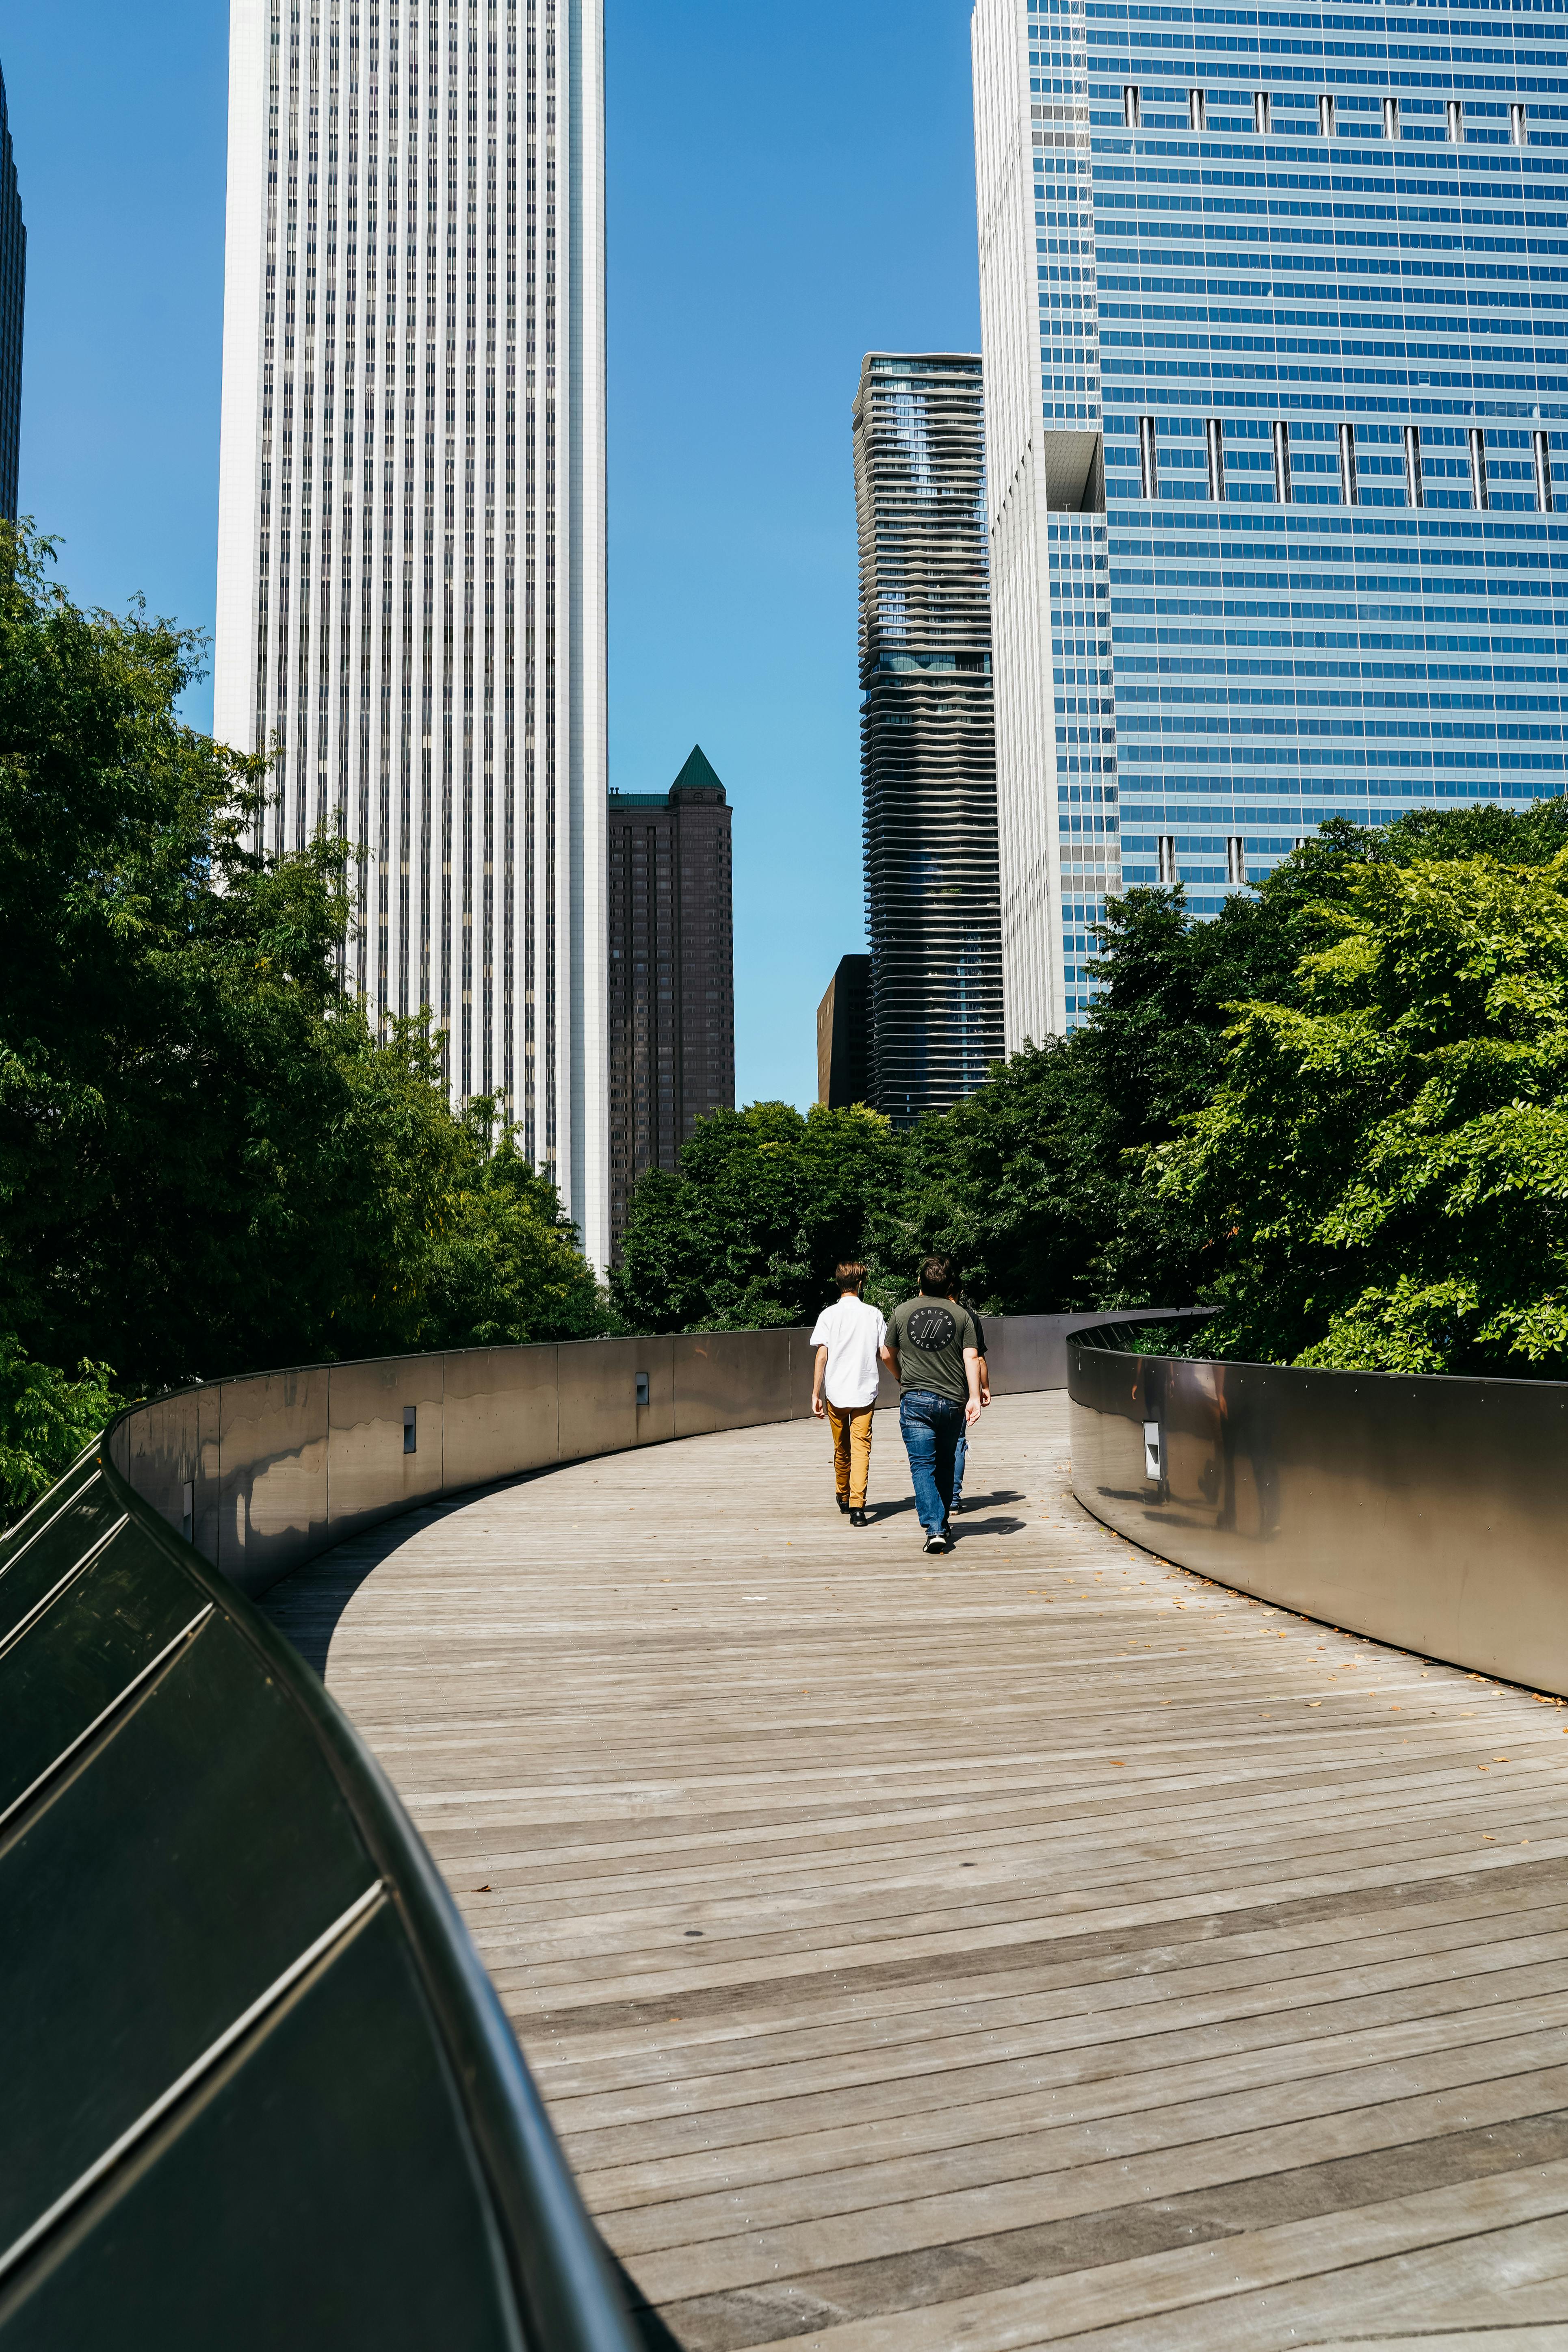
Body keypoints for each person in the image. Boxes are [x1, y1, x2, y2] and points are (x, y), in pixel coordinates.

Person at [880, 1255, 982, 1555]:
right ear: (950, 1284)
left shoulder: (901, 1312)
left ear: (919, 1283)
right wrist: (974, 1397)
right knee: (947, 1461)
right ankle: (943, 1522)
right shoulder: (962, 1315)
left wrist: (902, 1378)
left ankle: (935, 1528)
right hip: (953, 1400)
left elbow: (887, 1354)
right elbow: (972, 1357)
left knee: (922, 1465)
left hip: (915, 1399)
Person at [810, 1263, 887, 1526]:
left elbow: (822, 1354)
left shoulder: (828, 1316)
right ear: (861, 1284)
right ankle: (857, 1508)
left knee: (841, 1448)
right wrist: (901, 1376)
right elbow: (884, 1352)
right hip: (865, 1391)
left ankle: (843, 1495)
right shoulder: (874, 1315)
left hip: (836, 1393)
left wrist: (815, 1393)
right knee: (861, 1448)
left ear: (838, 1284)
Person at [949, 1286, 991, 1514]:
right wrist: (984, 1388)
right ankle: (954, 1499)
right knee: (958, 1442)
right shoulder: (969, 1317)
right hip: (961, 1391)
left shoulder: (927, 1313)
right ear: (960, 1291)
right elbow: (979, 1358)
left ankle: (936, 1496)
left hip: (929, 1389)